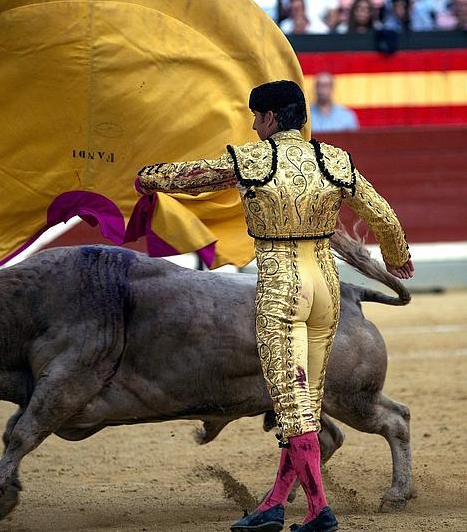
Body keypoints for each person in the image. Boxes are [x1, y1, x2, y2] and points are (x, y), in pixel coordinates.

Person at [135, 80, 413, 532]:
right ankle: (274, 505)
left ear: (267, 119)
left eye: (255, 116)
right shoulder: (333, 159)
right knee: (305, 400)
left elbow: (191, 178)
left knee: (292, 406)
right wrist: (397, 256)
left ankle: (319, 511)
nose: (252, 124)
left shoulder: (253, 159)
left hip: (283, 287)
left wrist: (146, 177)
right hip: (326, 287)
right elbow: (382, 214)